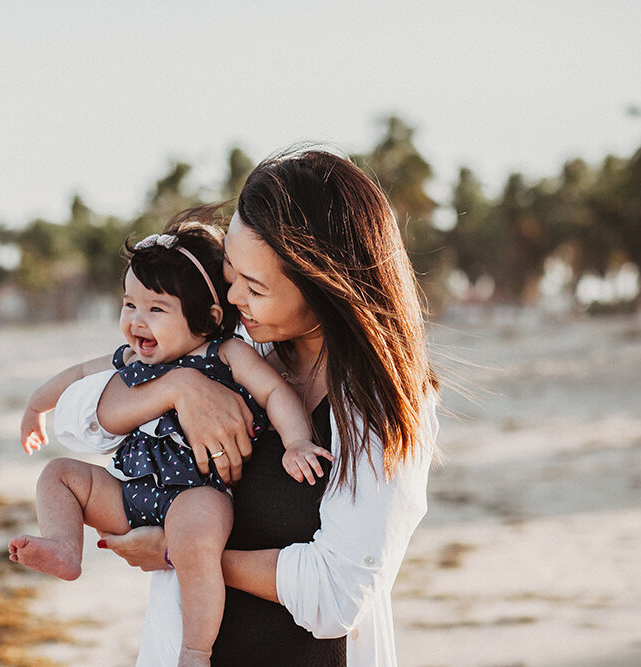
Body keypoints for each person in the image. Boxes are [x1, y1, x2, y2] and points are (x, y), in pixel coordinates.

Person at [53, 146, 440, 666]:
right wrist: (180, 389)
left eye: (254, 287)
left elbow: (338, 594)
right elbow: (76, 424)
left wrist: (182, 553)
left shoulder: (384, 405)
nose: (232, 298)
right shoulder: (232, 348)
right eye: (230, 272)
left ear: (324, 287)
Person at [10, 220, 333, 667]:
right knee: (58, 475)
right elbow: (77, 377)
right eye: (129, 304)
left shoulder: (227, 355)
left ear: (209, 319)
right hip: (132, 489)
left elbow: (275, 391)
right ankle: (65, 547)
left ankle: (194, 650)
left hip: (198, 494)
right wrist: (34, 407)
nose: (135, 320)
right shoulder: (133, 359)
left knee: (195, 543)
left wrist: (296, 441)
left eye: (156, 309)